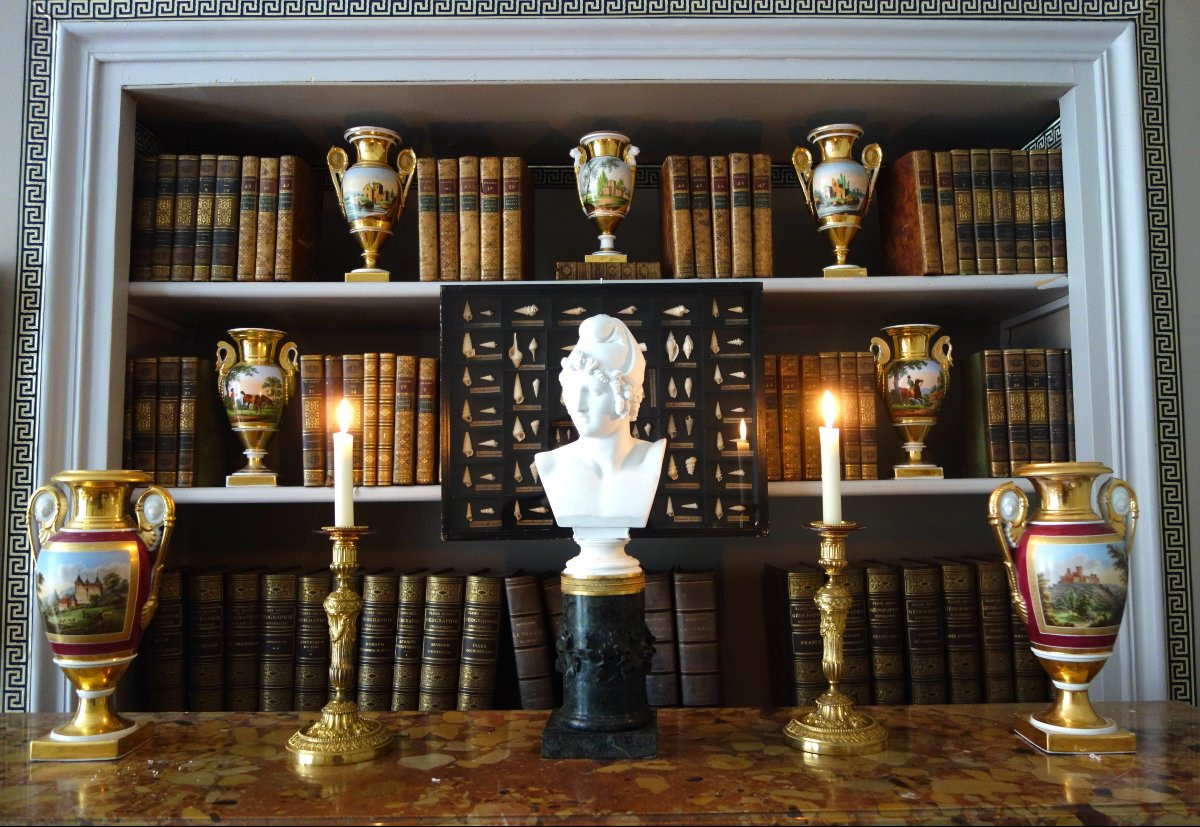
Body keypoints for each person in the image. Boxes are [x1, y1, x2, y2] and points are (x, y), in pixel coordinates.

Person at [534, 314, 666, 530]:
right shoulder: (551, 465)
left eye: (594, 392)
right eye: (573, 392)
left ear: (627, 395)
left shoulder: (652, 459)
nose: (578, 406)